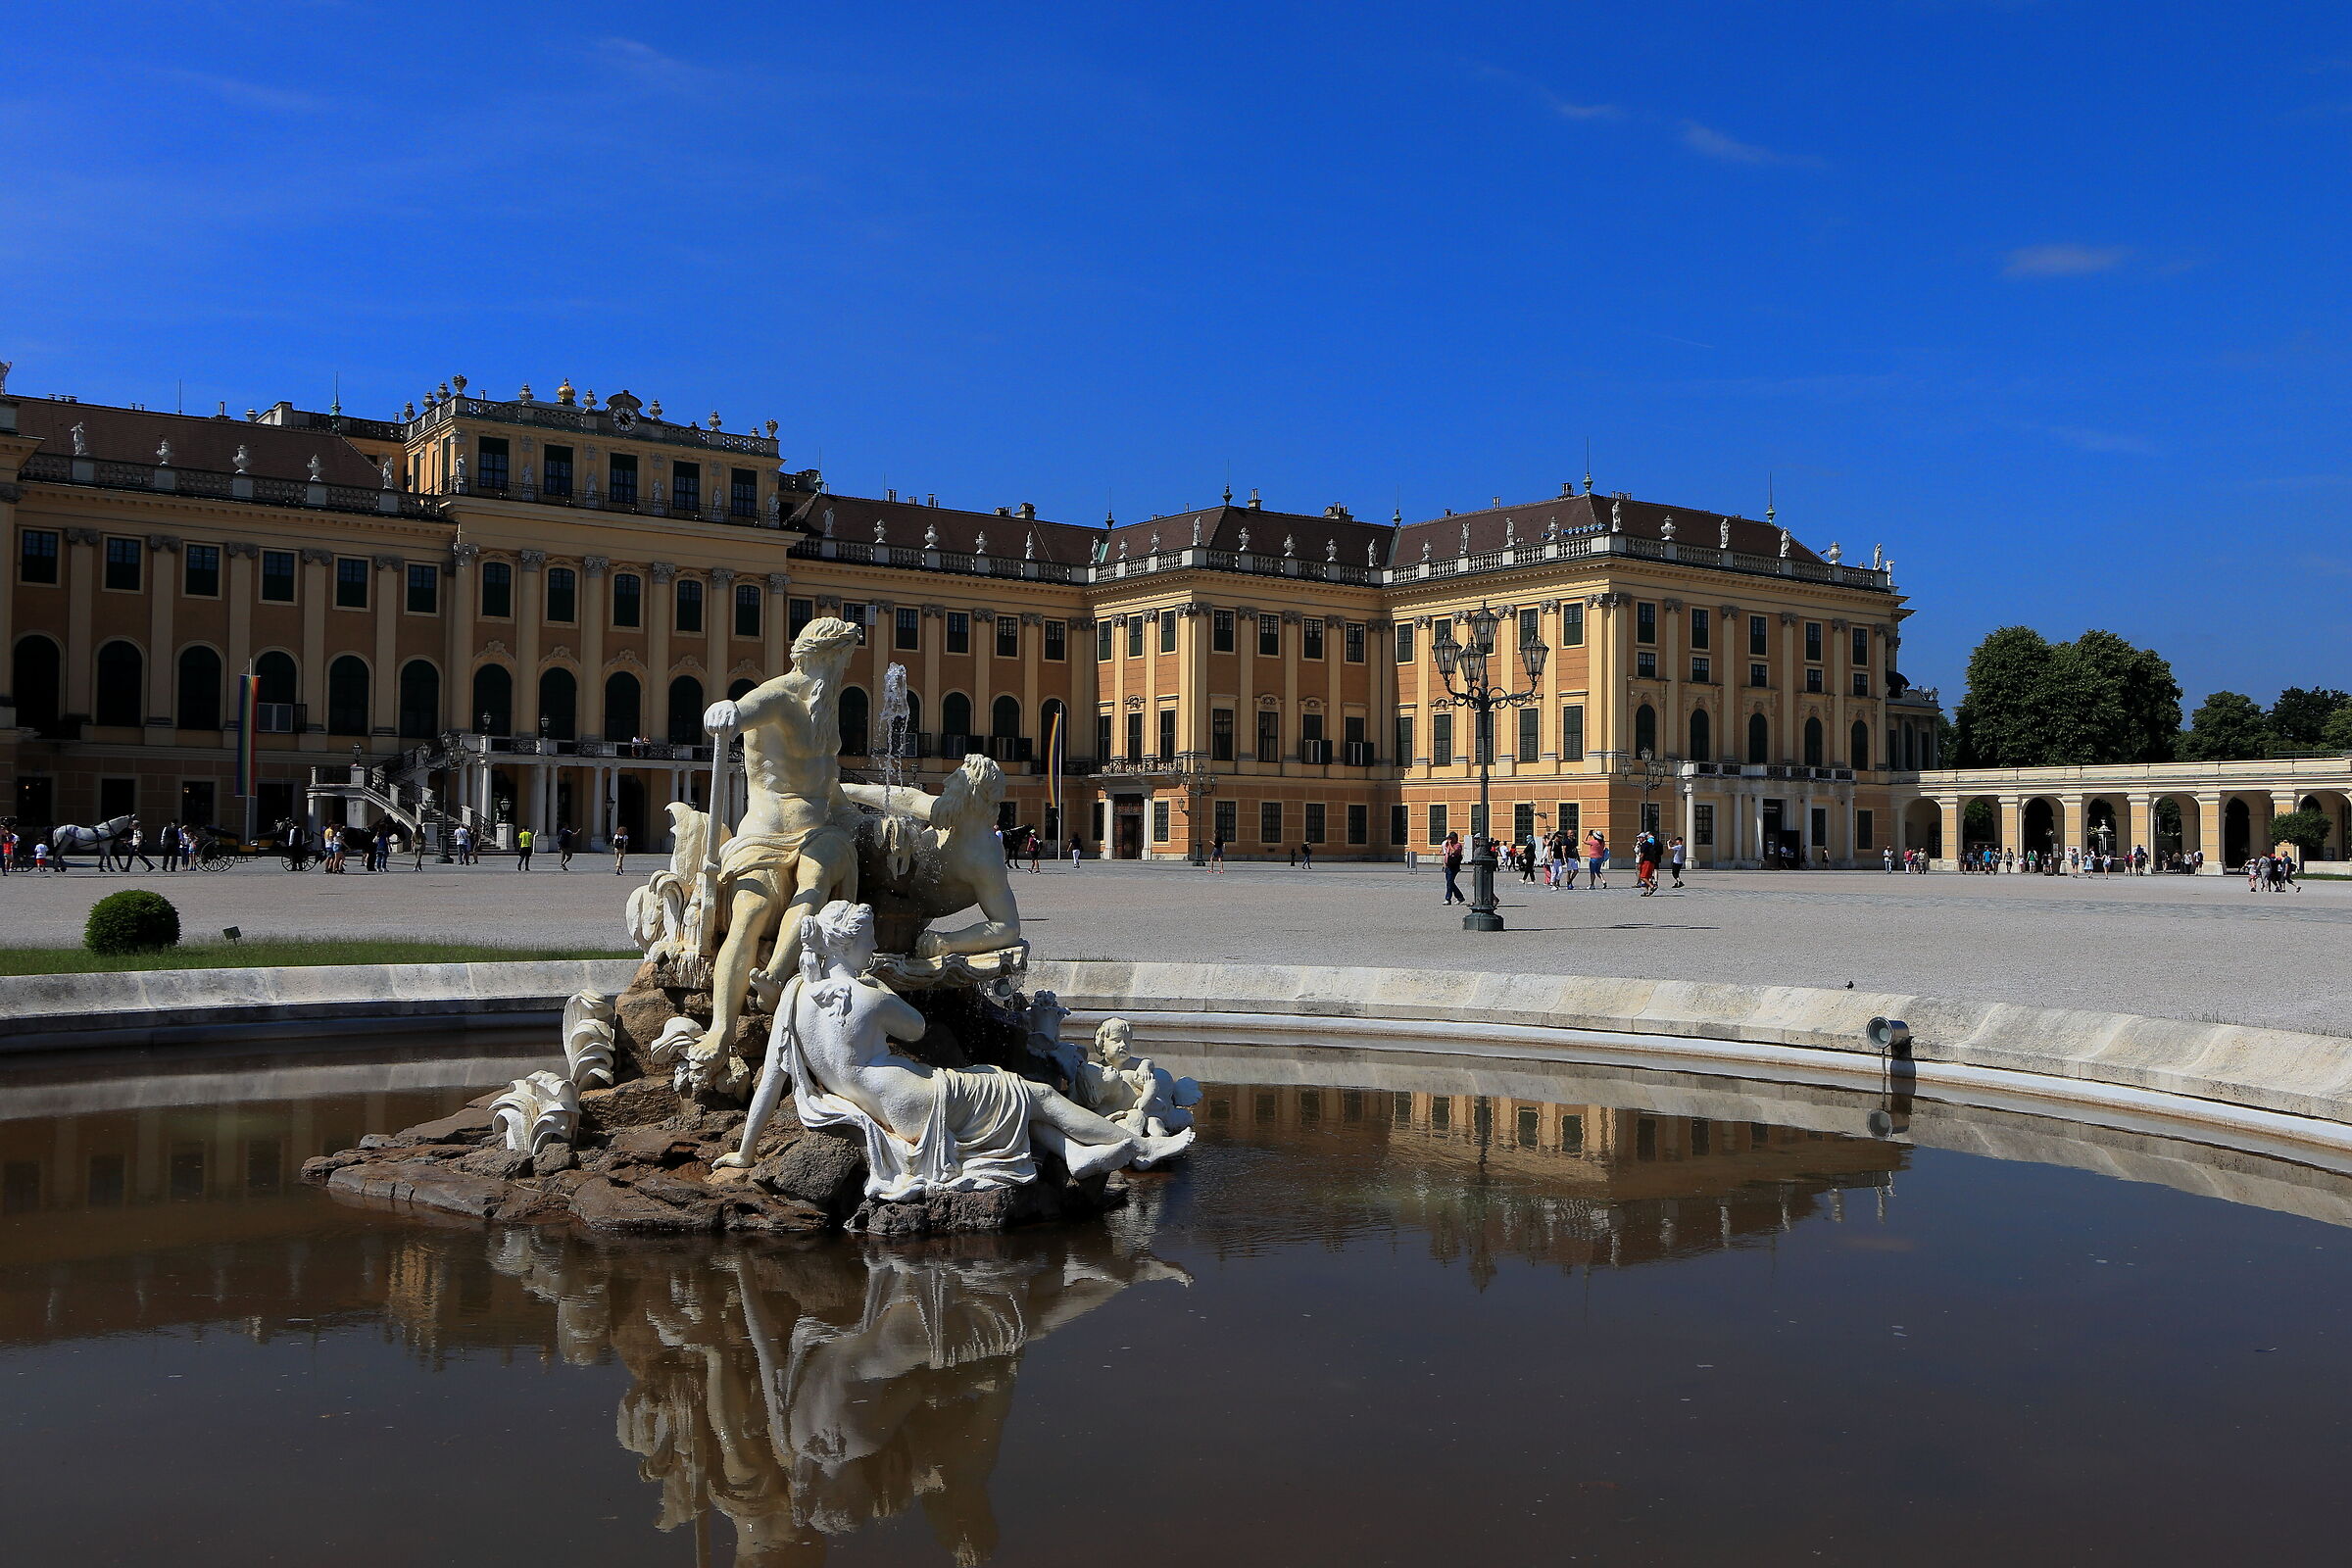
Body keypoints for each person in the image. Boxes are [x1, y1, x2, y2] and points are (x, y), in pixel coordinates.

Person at [1440, 831, 1466, 905]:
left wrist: (1450, 844)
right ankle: (1460, 897)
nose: (1450, 839)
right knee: (1450, 882)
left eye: (1451, 838)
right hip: (1448, 866)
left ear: (1455, 838)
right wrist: (1444, 865)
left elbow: (1454, 851)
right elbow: (1446, 855)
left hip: (1454, 866)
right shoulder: (1447, 845)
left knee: (1450, 882)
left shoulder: (1458, 845)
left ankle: (1448, 899)